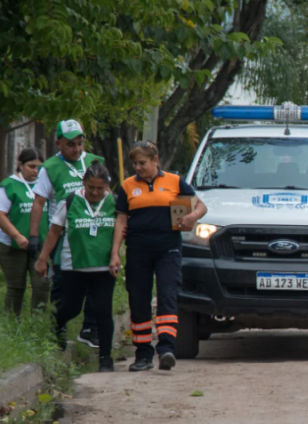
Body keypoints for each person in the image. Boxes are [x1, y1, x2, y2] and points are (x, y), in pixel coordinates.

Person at [111, 141, 208, 372]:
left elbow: (201, 207)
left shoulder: (174, 181)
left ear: (155, 160)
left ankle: (166, 349)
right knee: (139, 300)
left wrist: (190, 217)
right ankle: (142, 354)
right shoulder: (127, 186)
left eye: (142, 163)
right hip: (138, 251)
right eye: (135, 163)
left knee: (167, 296)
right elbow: (121, 220)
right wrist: (115, 253)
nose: (138, 168)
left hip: (168, 251)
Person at [35, 162, 117, 372]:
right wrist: (43, 258)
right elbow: (54, 231)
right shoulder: (71, 201)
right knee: (71, 307)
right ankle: (57, 324)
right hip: (74, 266)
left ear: (107, 186)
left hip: (103, 268)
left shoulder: (114, 203)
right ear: (84, 183)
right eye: (91, 188)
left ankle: (105, 358)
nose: (95, 192)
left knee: (103, 310)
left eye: (100, 188)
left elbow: (122, 230)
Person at [29, 120, 104, 348]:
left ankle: (89, 328)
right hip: (63, 235)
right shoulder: (49, 168)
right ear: (58, 142)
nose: (77, 149)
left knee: (96, 282)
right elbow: (39, 203)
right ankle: (58, 326)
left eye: (80, 143)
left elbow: (107, 194)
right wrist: (34, 236)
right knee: (63, 286)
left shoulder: (93, 162)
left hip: (93, 234)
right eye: (71, 144)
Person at [0, 148, 50, 315]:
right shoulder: (9, 185)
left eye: (39, 167)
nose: (36, 171)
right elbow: (1, 215)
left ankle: (38, 325)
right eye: (31, 166)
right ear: (20, 165)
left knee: (42, 285)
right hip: (13, 245)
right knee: (16, 287)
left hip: (40, 245)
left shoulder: (44, 184)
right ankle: (13, 326)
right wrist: (17, 236)